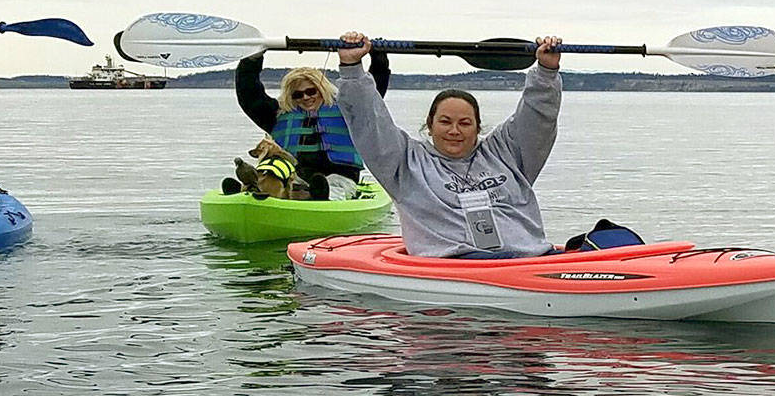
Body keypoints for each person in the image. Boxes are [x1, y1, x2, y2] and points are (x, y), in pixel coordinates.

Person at [335, 30, 563, 258]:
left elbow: (538, 118)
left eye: (465, 123)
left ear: (477, 128)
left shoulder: (505, 154)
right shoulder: (405, 163)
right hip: (455, 263)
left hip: (532, 259)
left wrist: (546, 72)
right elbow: (369, 121)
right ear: (430, 125)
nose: (454, 131)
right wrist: (352, 68)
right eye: (445, 122)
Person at [225, 48, 391, 200]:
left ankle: (321, 197)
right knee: (278, 180)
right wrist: (252, 59)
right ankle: (249, 189)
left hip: (340, 176)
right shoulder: (277, 114)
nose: (305, 97)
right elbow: (249, 95)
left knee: (334, 186)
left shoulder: (349, 110)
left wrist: (378, 57)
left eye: (311, 91)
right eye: (297, 94)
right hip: (294, 176)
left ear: (322, 89)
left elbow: (371, 93)